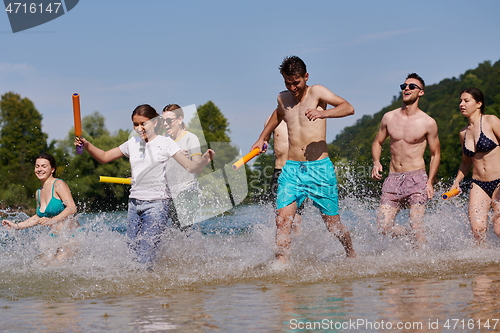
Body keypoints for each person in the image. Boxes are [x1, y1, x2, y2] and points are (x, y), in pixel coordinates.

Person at [75, 104, 213, 267]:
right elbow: (105, 157)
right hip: (134, 204)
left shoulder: (166, 143)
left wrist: (203, 161)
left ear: (155, 122)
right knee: (132, 253)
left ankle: (150, 292)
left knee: (144, 256)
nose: (139, 128)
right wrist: (87, 145)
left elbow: (190, 167)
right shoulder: (131, 143)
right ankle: (140, 290)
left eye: (143, 123)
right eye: (135, 124)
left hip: (157, 205)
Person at [252, 55, 356, 263]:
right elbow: (277, 115)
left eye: (296, 82)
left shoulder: (317, 92)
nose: (292, 88)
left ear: (306, 77)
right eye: (288, 83)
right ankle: (282, 269)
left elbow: (348, 107)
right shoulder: (283, 98)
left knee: (333, 225)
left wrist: (323, 114)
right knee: (282, 221)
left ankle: (351, 253)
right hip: (291, 170)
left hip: (319, 168)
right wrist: (261, 138)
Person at [371, 73, 440, 246]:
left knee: (416, 225)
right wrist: (376, 162)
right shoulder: (389, 117)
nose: (406, 89)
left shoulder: (428, 122)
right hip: (393, 178)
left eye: (411, 86)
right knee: (383, 226)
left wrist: (430, 182)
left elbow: (435, 154)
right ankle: (411, 237)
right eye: (404, 86)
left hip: (417, 178)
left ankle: (425, 259)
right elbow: (377, 142)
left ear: (421, 92)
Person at [2, 153, 79, 260]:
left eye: (44, 166)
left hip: (71, 236)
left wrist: (53, 220)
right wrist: (17, 226)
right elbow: (38, 216)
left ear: (52, 169)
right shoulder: (38, 192)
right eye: (37, 166)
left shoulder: (58, 184)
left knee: (55, 265)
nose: (39, 169)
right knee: (40, 263)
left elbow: (72, 208)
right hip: (55, 238)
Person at [449, 87, 500, 244]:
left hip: (499, 181)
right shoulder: (463, 133)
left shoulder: (491, 121)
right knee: (477, 231)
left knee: (498, 229)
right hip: (478, 184)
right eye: (460, 101)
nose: (461, 104)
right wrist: (456, 182)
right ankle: (485, 268)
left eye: (466, 101)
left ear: (478, 104)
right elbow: (466, 162)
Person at [162, 104, 202, 231]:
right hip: (168, 195)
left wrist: (185, 159)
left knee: (181, 233)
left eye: (169, 120)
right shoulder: (164, 142)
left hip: (187, 194)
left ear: (180, 120)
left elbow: (199, 168)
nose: (165, 124)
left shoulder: (191, 139)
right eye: (163, 121)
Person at [265, 114, 303, 235]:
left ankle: (299, 246)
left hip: (300, 172)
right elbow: (264, 140)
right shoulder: (272, 120)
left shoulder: (304, 118)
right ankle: (283, 248)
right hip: (279, 172)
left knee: (296, 217)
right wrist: (262, 145)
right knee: (280, 217)